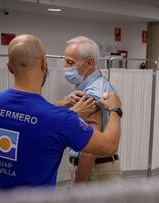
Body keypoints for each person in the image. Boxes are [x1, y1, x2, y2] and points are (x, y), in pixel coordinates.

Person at [0, 34, 122, 191]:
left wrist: (63, 108)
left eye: (69, 62)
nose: (66, 67)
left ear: (8, 67)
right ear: (43, 63)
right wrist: (115, 110)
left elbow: (32, 117)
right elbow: (109, 145)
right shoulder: (60, 120)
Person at [56, 36, 122, 183]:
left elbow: (89, 149)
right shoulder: (83, 87)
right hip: (90, 169)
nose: (65, 67)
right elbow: (53, 112)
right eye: (65, 61)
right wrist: (65, 102)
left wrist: (78, 188)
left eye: (70, 62)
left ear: (89, 63)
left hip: (94, 171)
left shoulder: (93, 91)